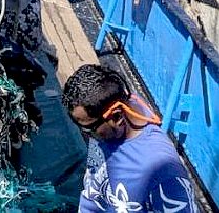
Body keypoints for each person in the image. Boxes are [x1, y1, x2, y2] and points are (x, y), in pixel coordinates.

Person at [63, 64, 197, 213]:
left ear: (117, 116)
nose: (85, 135)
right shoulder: (116, 117)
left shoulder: (163, 173)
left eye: (89, 129)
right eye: (79, 127)